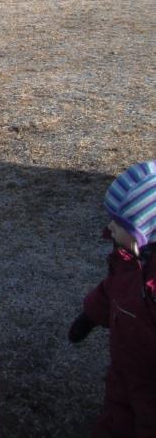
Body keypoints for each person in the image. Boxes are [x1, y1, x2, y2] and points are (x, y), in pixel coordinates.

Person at [68, 160, 156, 438]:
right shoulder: (126, 260)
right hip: (124, 365)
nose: (110, 227)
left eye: (119, 223)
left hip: (152, 379)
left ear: (144, 229)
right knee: (116, 411)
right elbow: (112, 290)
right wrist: (90, 316)